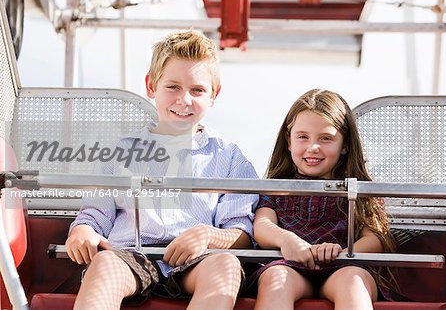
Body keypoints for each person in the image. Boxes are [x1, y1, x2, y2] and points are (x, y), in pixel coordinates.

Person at [65, 30, 258, 310]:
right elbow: (96, 213)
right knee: (104, 263)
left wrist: (209, 235)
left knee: (226, 266)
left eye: (197, 90)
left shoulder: (229, 157)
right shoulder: (120, 152)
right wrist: (82, 230)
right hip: (130, 254)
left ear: (214, 94)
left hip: (198, 260)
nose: (185, 100)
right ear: (151, 85)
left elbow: (240, 231)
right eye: (173, 87)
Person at [251, 89, 395, 310]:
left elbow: (375, 238)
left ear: (345, 144)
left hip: (343, 267)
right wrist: (287, 241)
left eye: (326, 138)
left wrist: (341, 252)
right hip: (290, 266)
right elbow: (262, 225)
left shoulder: (360, 190)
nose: (313, 147)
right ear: (289, 141)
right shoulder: (277, 187)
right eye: (302, 137)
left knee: (353, 281)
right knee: (276, 279)